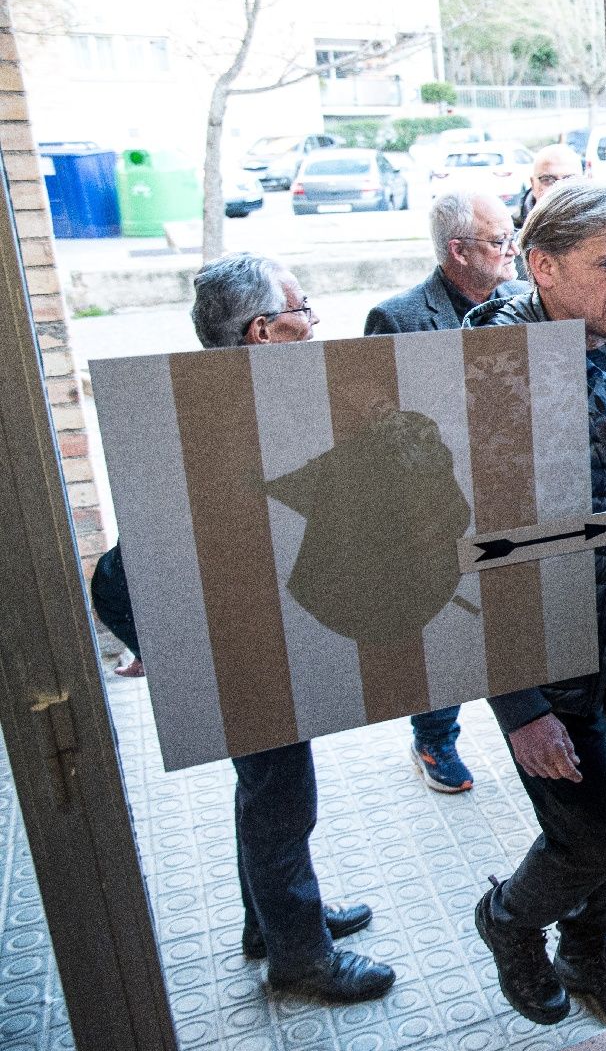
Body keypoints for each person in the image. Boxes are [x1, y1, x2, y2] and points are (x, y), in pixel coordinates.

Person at [464, 182, 606, 1029]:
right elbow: (470, 559)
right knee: (597, 833)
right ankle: (508, 919)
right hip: (545, 659)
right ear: (542, 267)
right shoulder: (490, 378)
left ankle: (587, 952)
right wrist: (519, 705)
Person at [177, 254, 393, 1002]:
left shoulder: (221, 402)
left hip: (253, 630)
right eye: (304, 309)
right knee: (279, 792)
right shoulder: (231, 417)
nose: (314, 324)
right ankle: (299, 953)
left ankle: (269, 919)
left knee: (267, 786)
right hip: (247, 638)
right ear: (265, 331)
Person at [364, 190, 525, 795]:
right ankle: (434, 739)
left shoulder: (522, 302)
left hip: (509, 492)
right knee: (442, 628)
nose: (511, 250)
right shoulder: (397, 318)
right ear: (458, 252)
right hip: (432, 502)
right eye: (497, 241)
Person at [516, 142, 585, 226]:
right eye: (548, 180)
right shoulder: (513, 231)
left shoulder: (598, 226)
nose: (560, 188)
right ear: (533, 184)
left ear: (583, 182)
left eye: (569, 179)